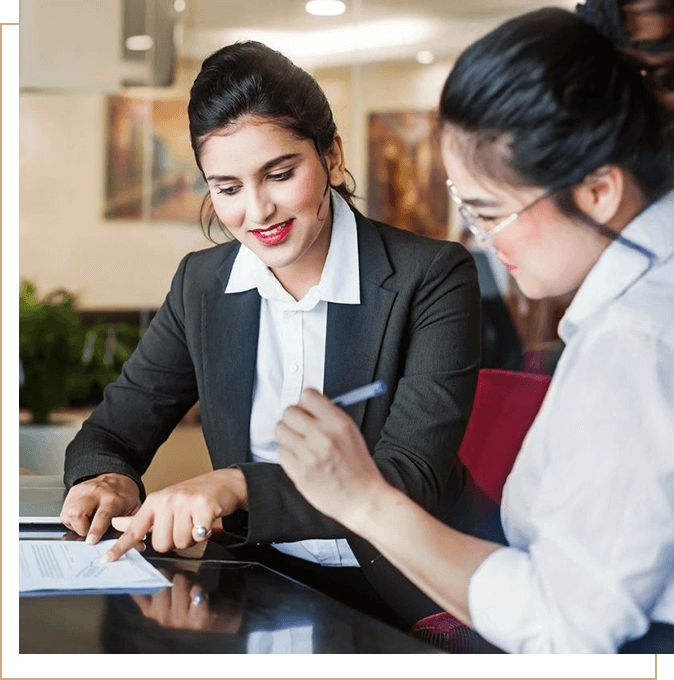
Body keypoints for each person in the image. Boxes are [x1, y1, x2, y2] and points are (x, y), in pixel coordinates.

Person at [277, 0, 674, 653]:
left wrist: (365, 500)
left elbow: (567, 626)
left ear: (599, 190)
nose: (483, 242)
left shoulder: (636, 341)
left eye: (489, 211)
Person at [60, 40, 484, 628]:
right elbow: (112, 431)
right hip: (256, 582)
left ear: (332, 157)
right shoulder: (201, 285)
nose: (257, 210)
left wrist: (236, 487)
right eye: (228, 187)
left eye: (279, 174)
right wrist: (103, 479)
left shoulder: (432, 276)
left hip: (409, 588)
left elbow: (409, 477)